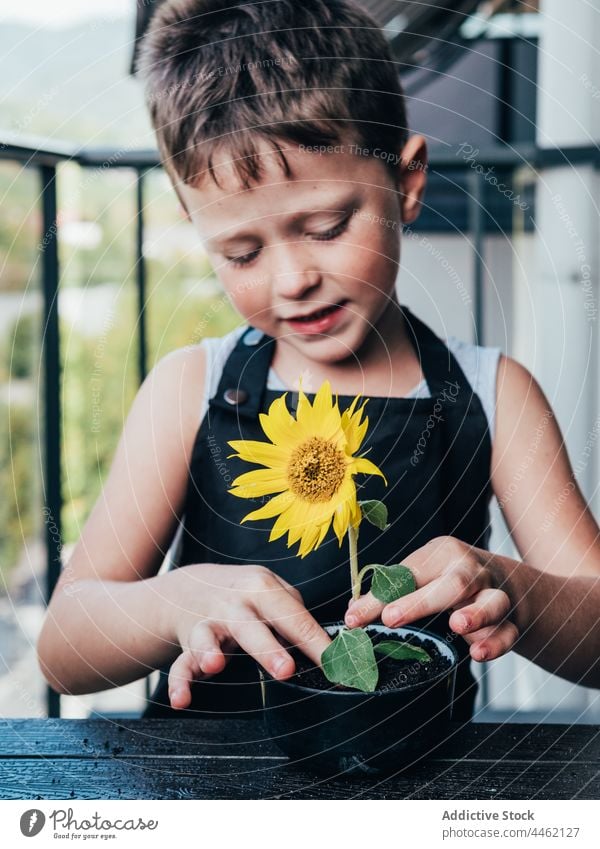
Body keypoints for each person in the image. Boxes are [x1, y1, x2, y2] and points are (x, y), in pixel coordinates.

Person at [37, 0, 600, 721]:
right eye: (241, 252)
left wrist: (514, 588)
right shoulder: (189, 389)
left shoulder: (495, 396)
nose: (291, 279)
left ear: (407, 183)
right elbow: (62, 645)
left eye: (328, 227)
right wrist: (171, 600)